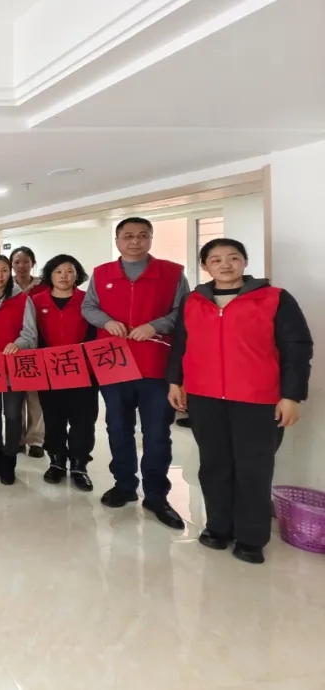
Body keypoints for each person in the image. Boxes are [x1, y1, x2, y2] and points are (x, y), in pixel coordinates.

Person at [168, 239, 313, 564]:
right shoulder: (193, 301)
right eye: (216, 259)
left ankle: (251, 537)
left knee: (253, 469)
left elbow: (297, 347)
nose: (225, 264)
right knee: (213, 465)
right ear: (205, 266)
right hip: (205, 398)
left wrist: (292, 396)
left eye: (233, 257)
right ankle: (218, 527)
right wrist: (175, 381)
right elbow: (181, 344)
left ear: (245, 262)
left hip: (257, 400)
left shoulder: (274, 298)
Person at [82, 217, 190, 529]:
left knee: (157, 434)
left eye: (143, 236)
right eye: (128, 236)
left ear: (151, 239)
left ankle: (156, 494)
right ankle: (124, 484)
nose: (135, 242)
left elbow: (183, 312)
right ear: (117, 241)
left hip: (156, 365)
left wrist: (155, 326)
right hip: (113, 363)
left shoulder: (171, 273)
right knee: (118, 428)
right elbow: (88, 307)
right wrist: (105, 321)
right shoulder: (102, 273)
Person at [30, 254, 99, 491]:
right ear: (49, 275)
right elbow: (32, 334)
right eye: (58, 272)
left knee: (83, 419)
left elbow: (96, 333)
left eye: (69, 271)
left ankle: (80, 465)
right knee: (53, 418)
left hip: (83, 371)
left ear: (77, 275)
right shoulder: (36, 301)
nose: (64, 276)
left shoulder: (87, 300)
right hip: (49, 370)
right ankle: (57, 461)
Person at [0, 254, 34, 486]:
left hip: (14, 365)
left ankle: (10, 458)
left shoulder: (22, 299)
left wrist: (17, 344)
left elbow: (29, 333)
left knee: (12, 414)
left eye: (3, 270)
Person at [11, 246, 46, 458]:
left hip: (38, 348)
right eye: (17, 262)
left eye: (25, 261)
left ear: (33, 263)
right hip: (12, 348)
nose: (21, 266)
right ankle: (17, 438)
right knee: (15, 397)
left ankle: (36, 439)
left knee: (35, 397)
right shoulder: (7, 286)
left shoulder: (43, 286)